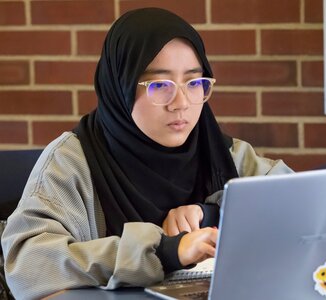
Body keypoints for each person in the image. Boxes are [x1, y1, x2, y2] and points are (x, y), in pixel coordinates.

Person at [0, 7, 293, 300]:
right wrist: (162, 252)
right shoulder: (72, 163)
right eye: (160, 85)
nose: (181, 103)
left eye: (194, 82)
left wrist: (214, 214)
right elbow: (28, 265)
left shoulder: (224, 154)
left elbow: (307, 210)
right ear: (121, 87)